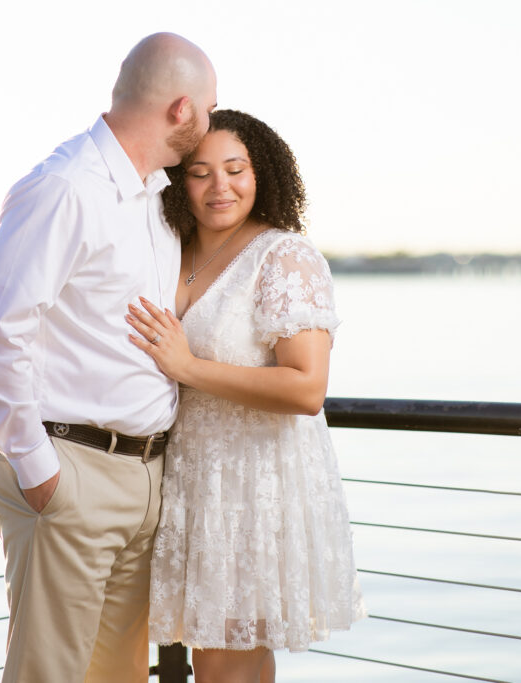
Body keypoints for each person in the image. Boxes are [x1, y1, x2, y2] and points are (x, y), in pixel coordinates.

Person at [0, 33, 217, 682]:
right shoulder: (66, 188)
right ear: (182, 109)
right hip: (71, 473)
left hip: (144, 477)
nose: (212, 123)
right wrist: (38, 467)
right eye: (211, 109)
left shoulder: (156, 199)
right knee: (50, 675)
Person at [126, 110, 366, 682]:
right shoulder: (168, 250)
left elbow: (307, 387)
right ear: (178, 181)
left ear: (263, 176)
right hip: (184, 482)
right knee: (224, 660)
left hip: (252, 487)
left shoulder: (283, 257)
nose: (220, 187)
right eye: (200, 173)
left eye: (235, 170)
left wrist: (188, 366)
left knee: (223, 666)